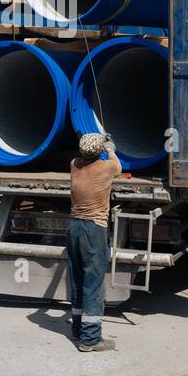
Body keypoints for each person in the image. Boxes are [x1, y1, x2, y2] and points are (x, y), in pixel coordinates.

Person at [67, 132, 121, 352]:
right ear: (98, 151)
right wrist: (110, 148)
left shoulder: (74, 165)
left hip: (74, 227)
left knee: (78, 277)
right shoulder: (106, 168)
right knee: (93, 282)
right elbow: (117, 165)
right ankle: (90, 339)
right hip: (93, 229)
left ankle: (78, 328)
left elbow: (87, 157)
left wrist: (100, 146)